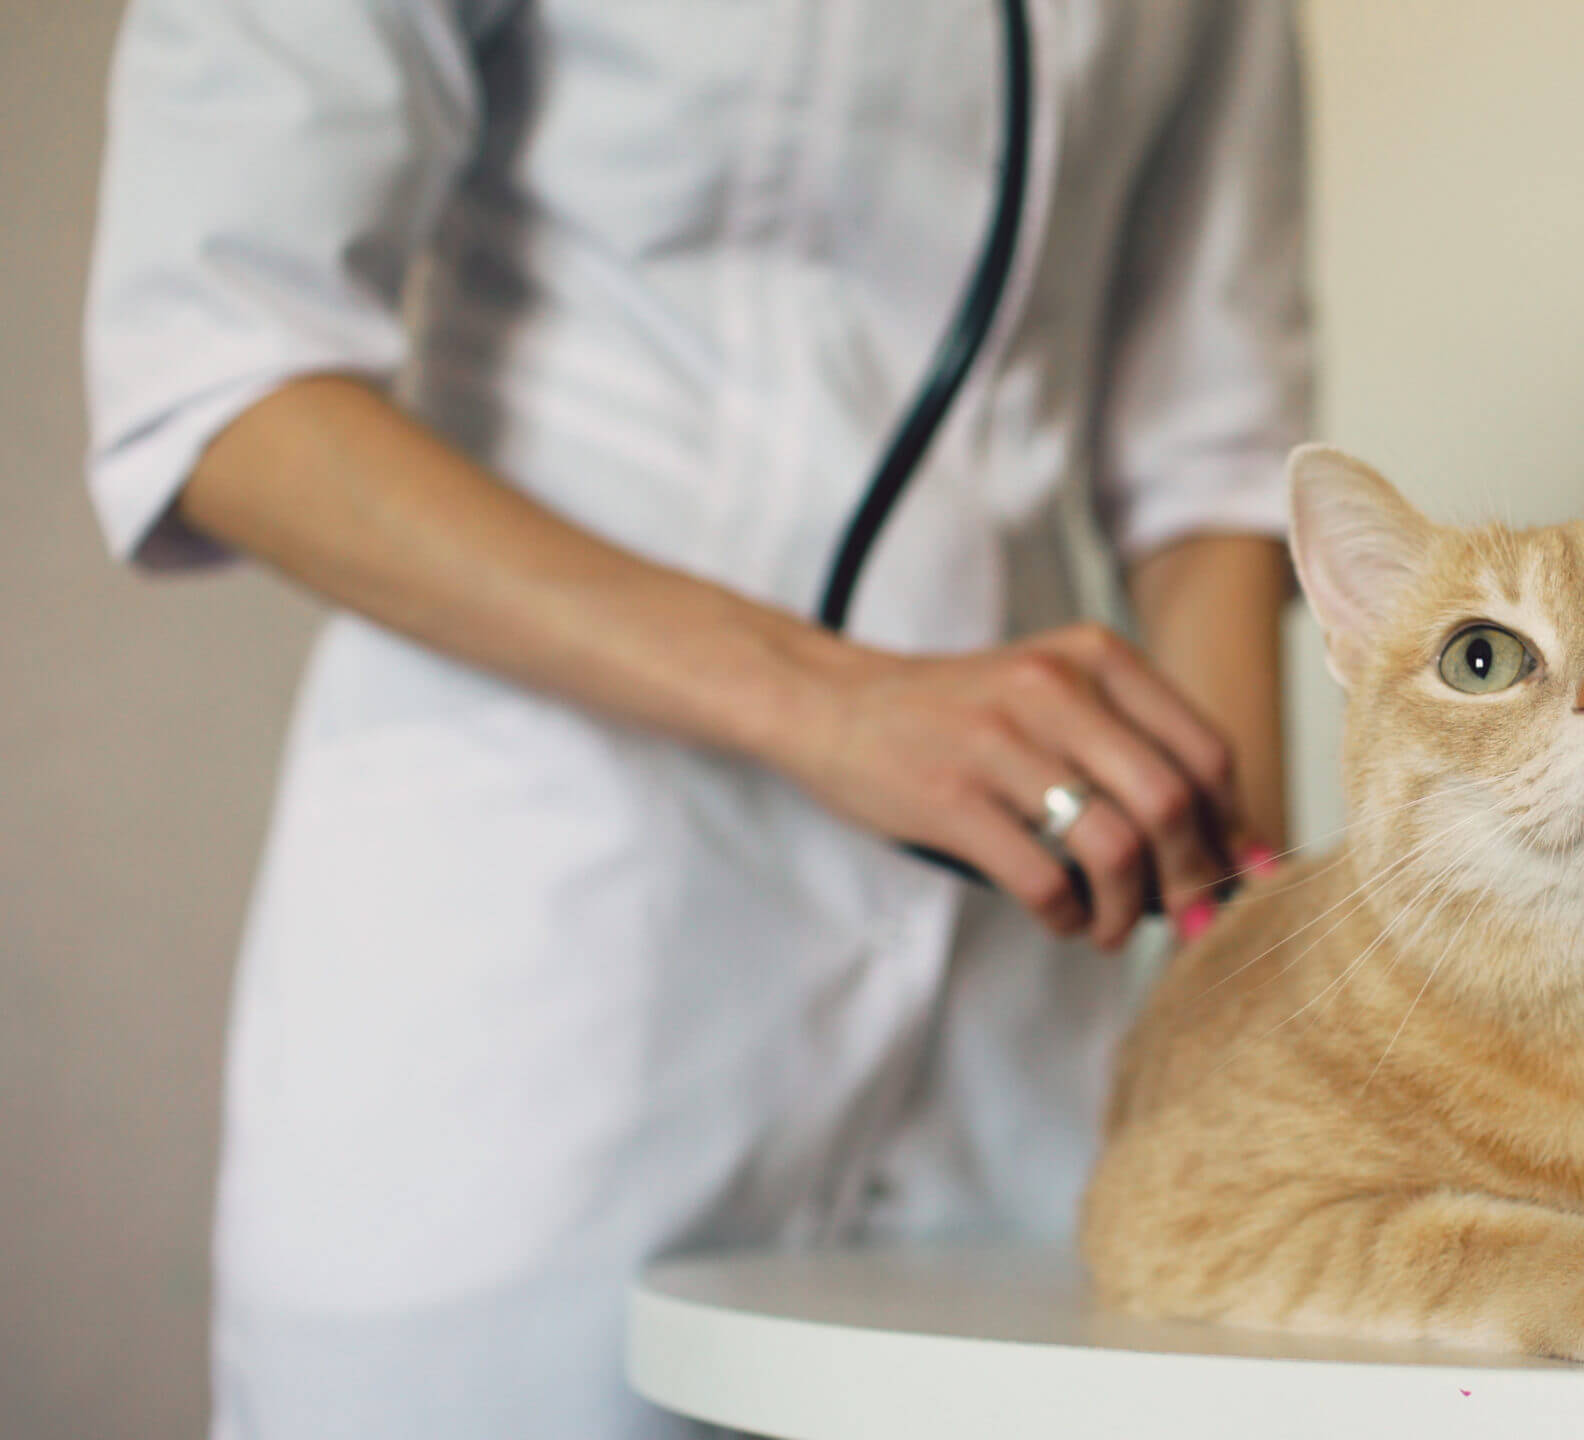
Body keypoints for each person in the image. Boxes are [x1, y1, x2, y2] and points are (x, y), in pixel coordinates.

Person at [83, 2, 1307, 1435]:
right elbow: (220, 377)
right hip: (562, 931)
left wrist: (1255, 1007)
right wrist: (837, 707)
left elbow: (1212, 454)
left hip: (1022, 955)